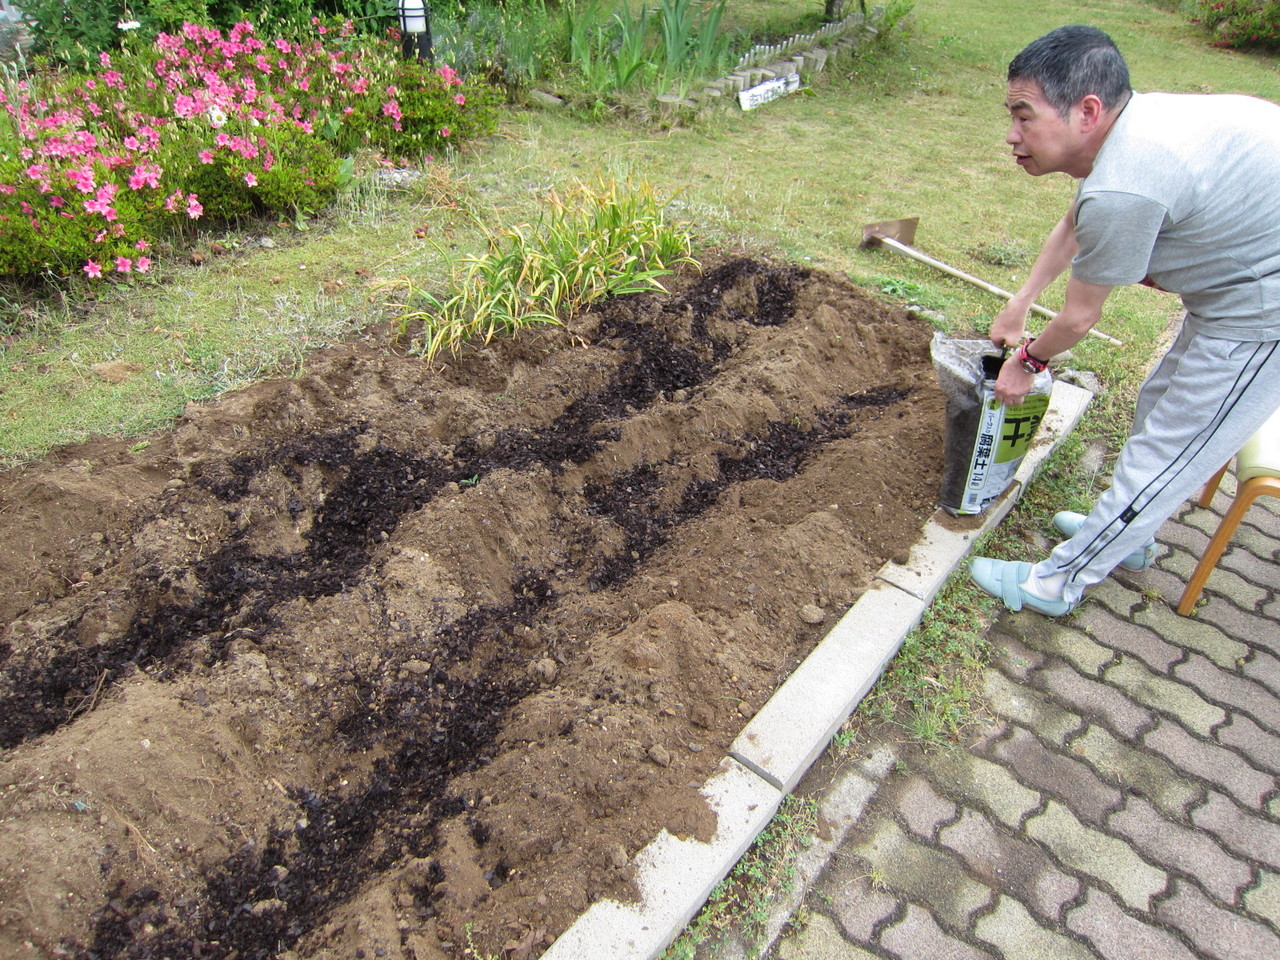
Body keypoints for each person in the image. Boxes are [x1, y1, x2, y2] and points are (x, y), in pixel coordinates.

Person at [967, 24, 1280, 616]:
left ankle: (1056, 584)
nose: (1011, 135)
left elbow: (1081, 318)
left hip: (1261, 316)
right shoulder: (1123, 133)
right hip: (1235, 291)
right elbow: (1077, 219)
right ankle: (1122, 532)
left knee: (1170, 451)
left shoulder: (1127, 183)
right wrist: (1021, 297)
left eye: (1023, 115)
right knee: (1159, 408)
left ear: (1086, 111)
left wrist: (1027, 362)